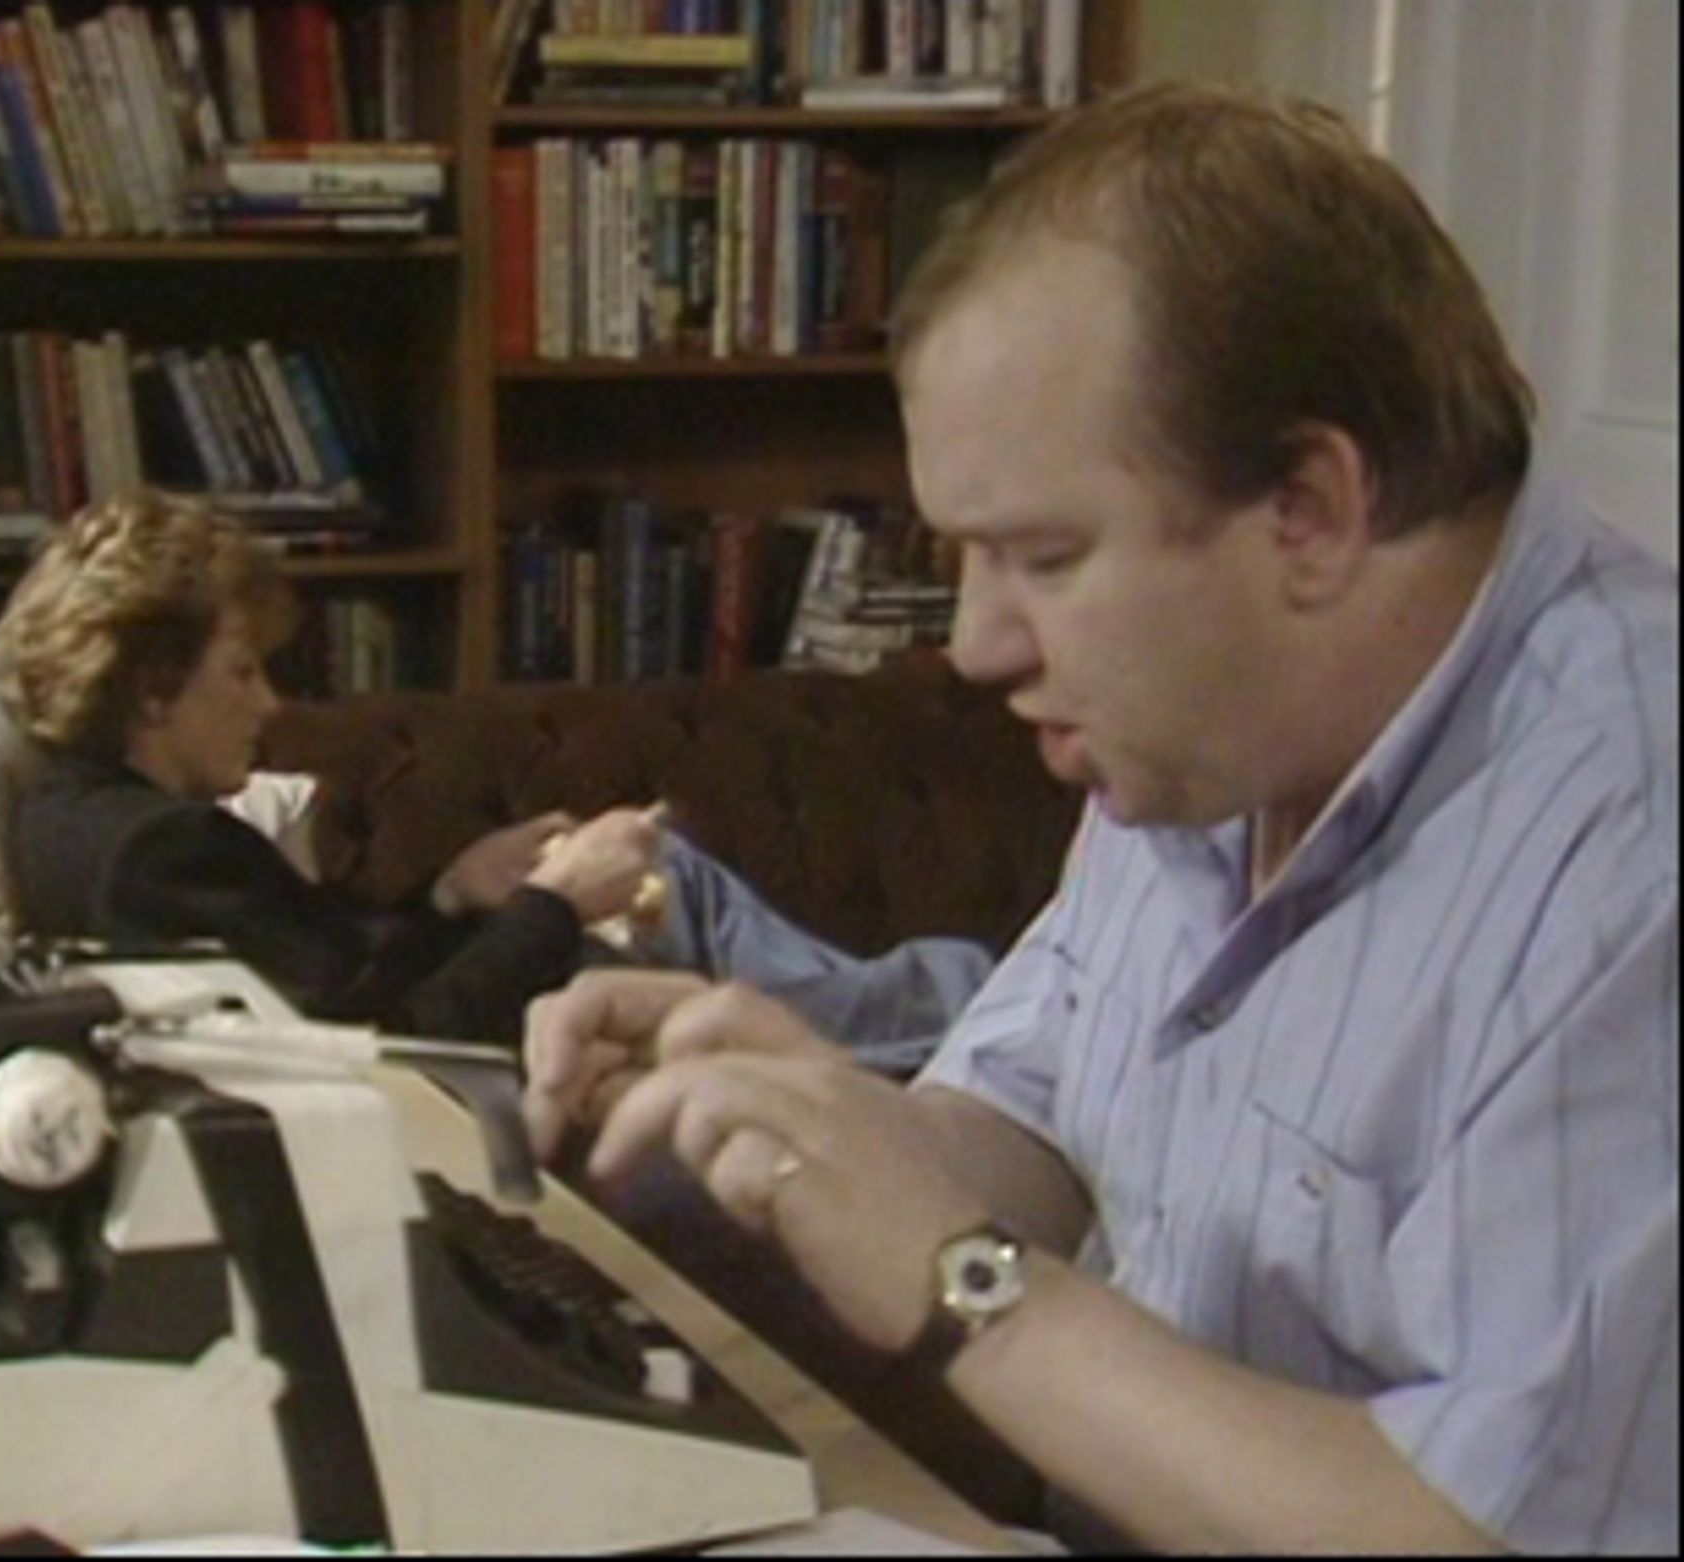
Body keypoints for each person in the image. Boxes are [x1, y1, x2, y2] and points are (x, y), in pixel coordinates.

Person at [522, 82, 1677, 1554]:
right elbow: (1033, 1131)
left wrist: (962, 1280)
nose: (975, 642)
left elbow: (1479, 1527)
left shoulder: (1632, 845)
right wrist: (759, 1127)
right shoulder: (1196, 740)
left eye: (1044, 555)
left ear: (1310, 509)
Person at [0, 491, 995, 1054]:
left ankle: (974, 1016)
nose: (268, 705)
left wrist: (453, 890)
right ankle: (993, 1017)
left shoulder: (98, 819)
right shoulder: (152, 852)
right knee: (661, 881)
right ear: (156, 689)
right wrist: (554, 904)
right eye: (242, 672)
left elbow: (346, 971)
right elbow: (386, 1042)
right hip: (505, 1037)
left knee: (664, 870)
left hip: (498, 989)